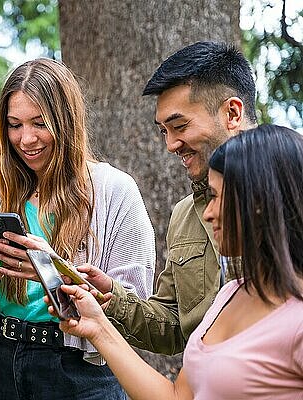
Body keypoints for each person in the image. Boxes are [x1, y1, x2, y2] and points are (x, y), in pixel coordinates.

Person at [0, 58, 156, 400]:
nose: (26, 139)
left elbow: (134, 312)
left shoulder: (115, 191)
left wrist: (54, 271)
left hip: (79, 373)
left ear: (67, 121)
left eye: (39, 123)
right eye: (14, 125)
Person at [54, 124, 303, 399]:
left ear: (260, 202)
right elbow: (176, 396)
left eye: (217, 197)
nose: (208, 213)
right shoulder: (230, 295)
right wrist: (98, 327)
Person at [84, 41, 258, 354]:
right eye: (164, 131)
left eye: (179, 126)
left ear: (232, 113)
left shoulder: (293, 193)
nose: (171, 144)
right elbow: (174, 326)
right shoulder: (185, 215)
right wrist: (109, 297)